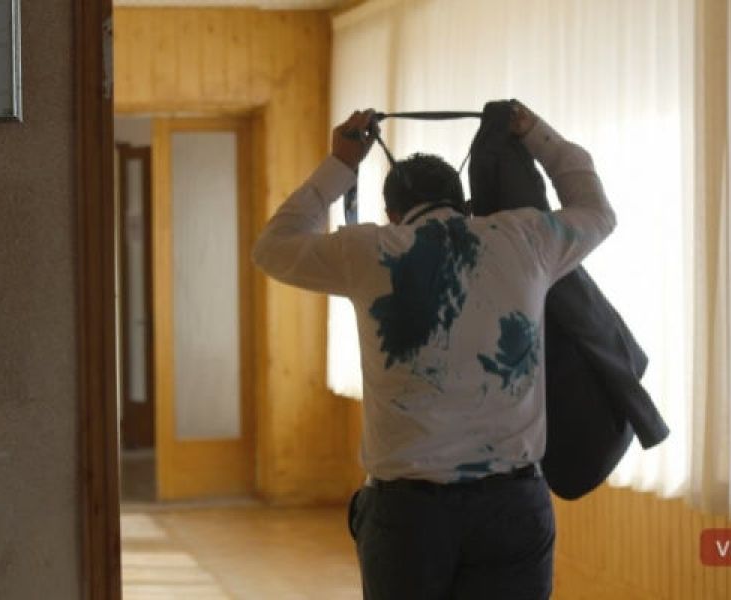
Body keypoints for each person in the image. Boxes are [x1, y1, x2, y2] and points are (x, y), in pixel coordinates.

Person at [251, 102, 615, 600]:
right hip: (512, 503)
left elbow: (272, 247)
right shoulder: (525, 238)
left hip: (408, 515)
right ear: (463, 201)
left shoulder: (370, 250)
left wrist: (341, 164)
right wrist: (537, 134)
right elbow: (596, 210)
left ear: (393, 213)